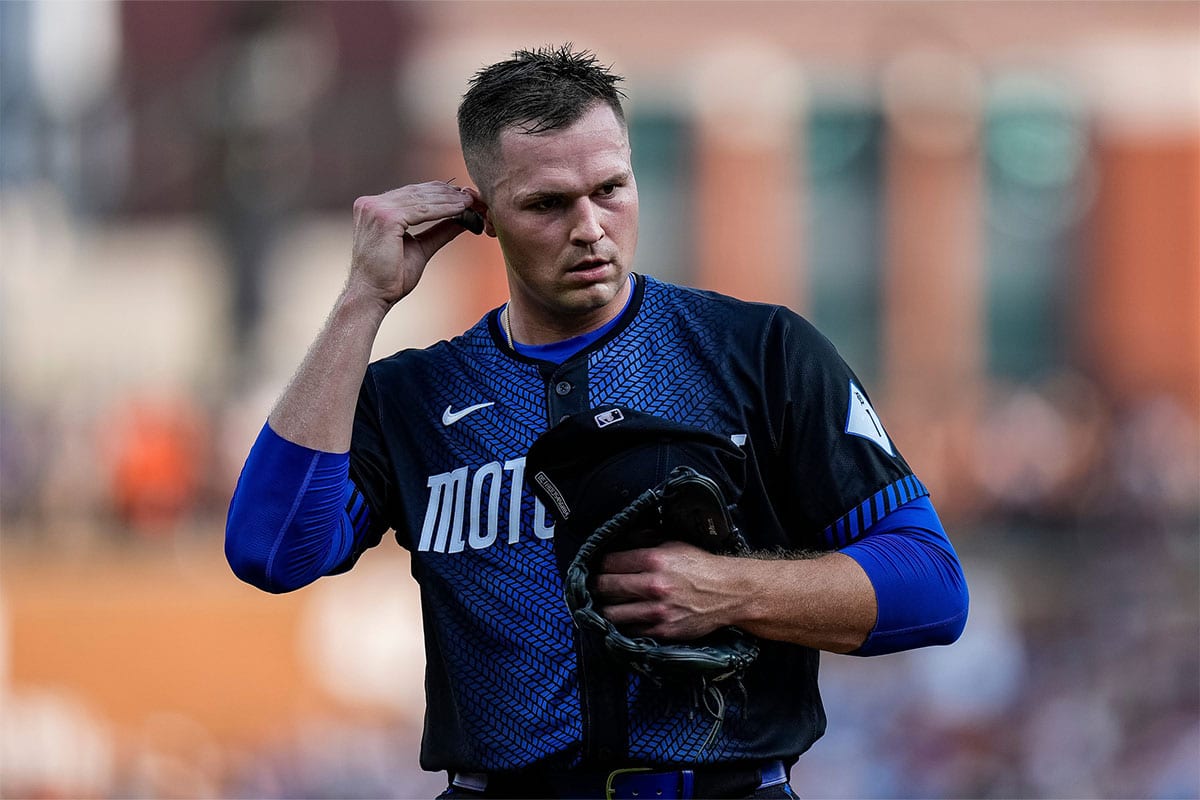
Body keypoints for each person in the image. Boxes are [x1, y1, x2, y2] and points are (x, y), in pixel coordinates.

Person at [225, 44, 969, 799]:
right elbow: (272, 550)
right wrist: (363, 300)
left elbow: (933, 588)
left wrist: (732, 589)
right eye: (547, 204)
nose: (591, 227)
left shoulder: (759, 352)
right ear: (482, 212)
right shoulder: (416, 394)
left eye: (611, 188)